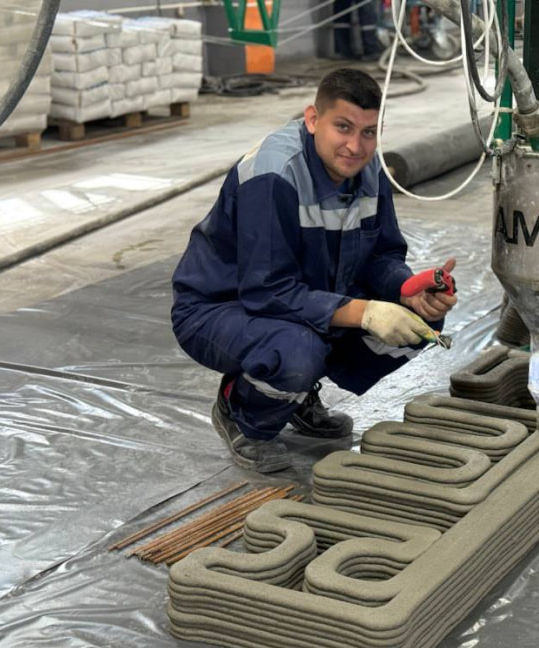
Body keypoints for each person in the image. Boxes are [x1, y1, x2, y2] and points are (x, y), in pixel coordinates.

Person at [171, 68, 457, 471]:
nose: (355, 146)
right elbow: (266, 291)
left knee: (418, 324)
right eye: (343, 127)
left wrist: (407, 290)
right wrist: (366, 312)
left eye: (368, 133)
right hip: (221, 308)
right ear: (312, 119)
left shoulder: (368, 169)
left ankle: (298, 394)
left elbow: (381, 255)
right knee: (296, 352)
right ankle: (241, 410)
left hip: (307, 298)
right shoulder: (273, 175)